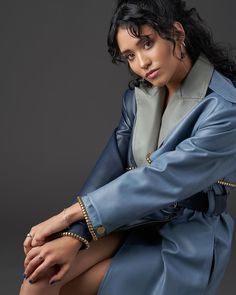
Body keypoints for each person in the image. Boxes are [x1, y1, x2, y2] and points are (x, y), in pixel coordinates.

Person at [19, 0, 236, 294]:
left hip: (185, 237)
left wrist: (67, 217)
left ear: (177, 33)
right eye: (130, 55)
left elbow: (163, 177)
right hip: (132, 219)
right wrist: (74, 235)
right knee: (39, 277)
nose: (141, 63)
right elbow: (111, 166)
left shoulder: (224, 109)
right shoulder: (138, 98)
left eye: (147, 43)